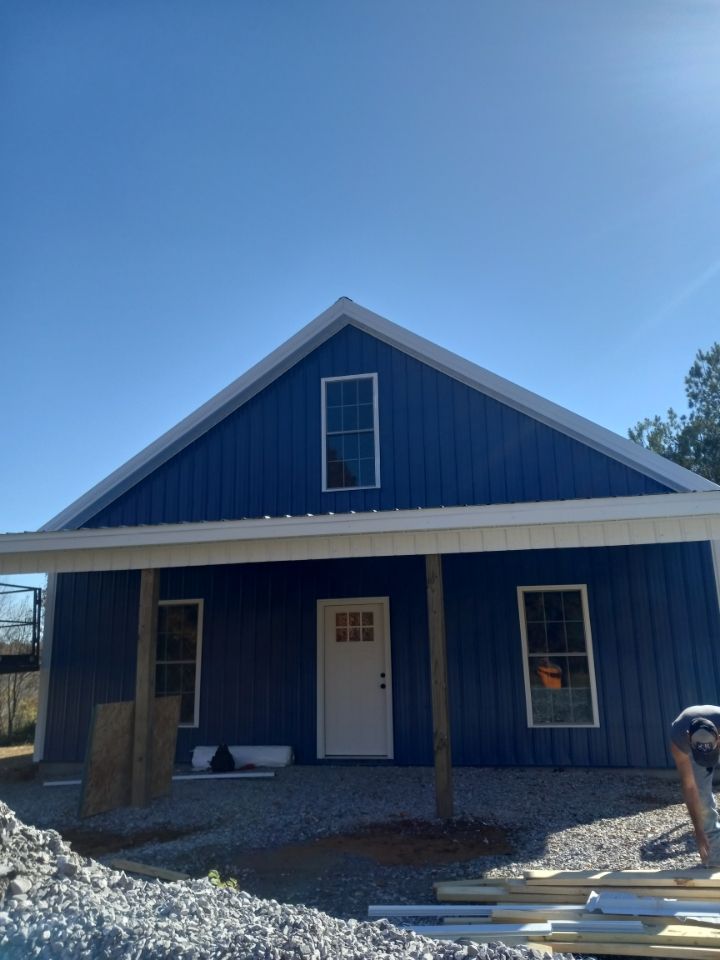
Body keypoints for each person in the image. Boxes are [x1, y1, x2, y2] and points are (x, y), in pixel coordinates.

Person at [670, 705, 720, 867]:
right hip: (692, 745)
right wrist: (698, 830)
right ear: (688, 737)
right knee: (702, 796)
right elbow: (689, 786)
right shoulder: (678, 736)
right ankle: (715, 858)